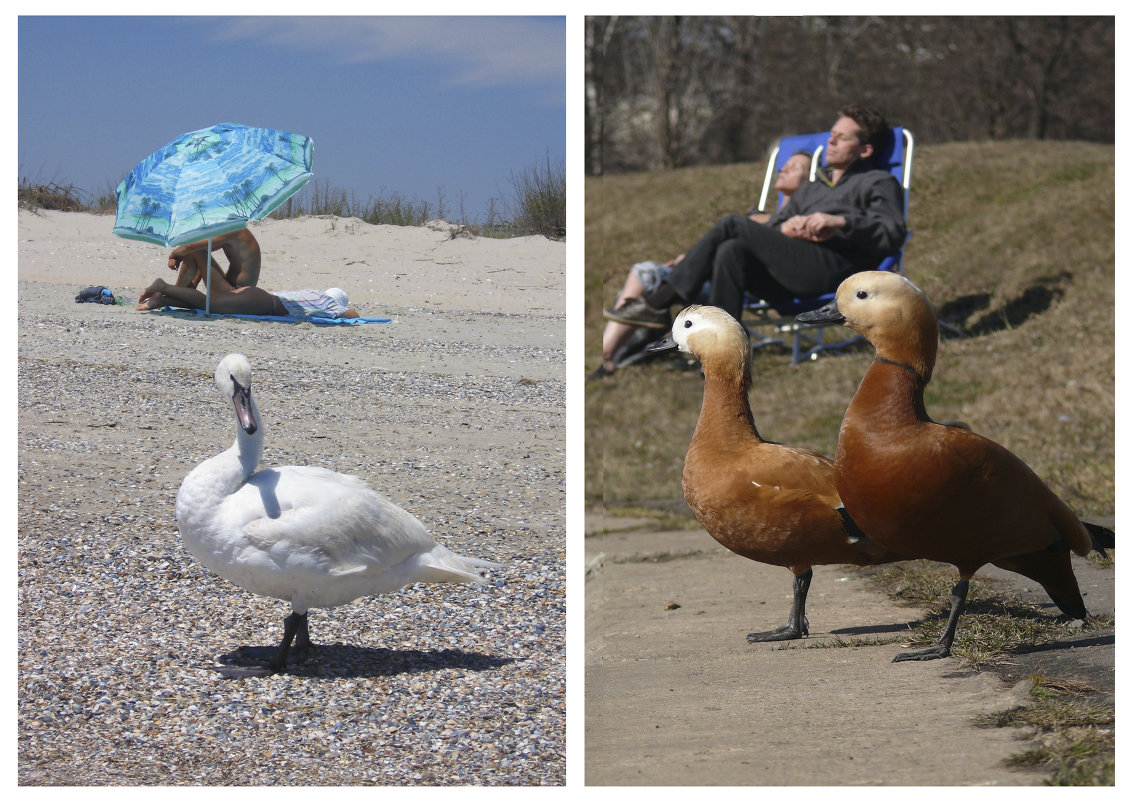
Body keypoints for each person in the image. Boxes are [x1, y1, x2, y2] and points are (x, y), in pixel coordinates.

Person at [604, 103, 906, 328]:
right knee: (730, 250)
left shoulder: (877, 181)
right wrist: (785, 225)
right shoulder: (815, 186)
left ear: (864, 150)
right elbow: (777, 222)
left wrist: (840, 222)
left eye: (842, 138)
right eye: (832, 135)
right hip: (793, 269)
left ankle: (660, 301)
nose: (832, 141)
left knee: (732, 223)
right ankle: (719, 350)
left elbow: (892, 231)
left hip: (836, 269)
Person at [597, 151, 813, 376]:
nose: (784, 169)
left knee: (647, 274)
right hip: (699, 273)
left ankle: (614, 349)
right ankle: (614, 351)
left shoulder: (797, 225)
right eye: (785, 164)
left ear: (811, 184)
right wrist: (689, 259)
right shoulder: (759, 217)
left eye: (796, 167)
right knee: (645, 270)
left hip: (729, 280)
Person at [136, 279, 359, 319]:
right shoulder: (326, 301)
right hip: (263, 303)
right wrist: (343, 308)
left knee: (208, 305)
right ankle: (163, 286)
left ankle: (164, 299)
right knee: (208, 304)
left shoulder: (312, 292)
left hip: (258, 295)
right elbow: (352, 315)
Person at [167, 228, 263, 296]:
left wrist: (173, 256)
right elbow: (204, 247)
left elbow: (189, 247)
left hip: (236, 294)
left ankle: (175, 292)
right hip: (235, 290)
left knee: (195, 251)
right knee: (197, 251)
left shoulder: (232, 229)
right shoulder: (238, 229)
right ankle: (183, 289)